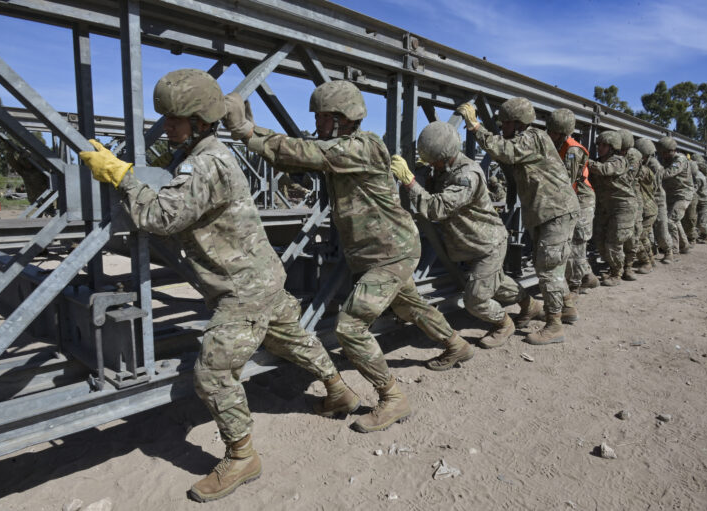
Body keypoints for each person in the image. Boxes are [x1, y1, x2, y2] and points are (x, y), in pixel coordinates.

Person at [79, 69, 359, 502]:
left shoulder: (207, 162)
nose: (168, 126)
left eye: (176, 119)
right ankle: (339, 390)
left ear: (202, 121)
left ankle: (242, 456)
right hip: (261, 276)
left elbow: (159, 217)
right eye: (167, 118)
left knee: (211, 373)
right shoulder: (199, 151)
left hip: (242, 288)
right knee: (293, 339)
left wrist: (123, 177)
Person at [226, 80, 472, 434]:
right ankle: (456, 344)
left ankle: (392, 398)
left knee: (350, 327)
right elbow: (302, 154)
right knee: (411, 306)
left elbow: (306, 153)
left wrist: (245, 130)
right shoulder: (342, 147)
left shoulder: (360, 148)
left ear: (343, 119)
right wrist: (256, 131)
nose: (318, 124)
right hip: (385, 250)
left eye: (323, 118)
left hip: (390, 253)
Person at [390, 121, 542, 348]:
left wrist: (410, 182)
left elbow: (437, 208)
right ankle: (530, 306)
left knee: (475, 299)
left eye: (434, 160)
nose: (433, 165)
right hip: (473, 244)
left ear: (446, 155)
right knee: (496, 283)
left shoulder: (467, 175)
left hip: (487, 245)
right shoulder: (446, 168)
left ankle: (504, 324)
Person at [457, 98, 579, 345]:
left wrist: (476, 127)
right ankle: (566, 308)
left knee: (547, 268)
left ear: (518, 123)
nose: (502, 128)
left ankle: (554, 326)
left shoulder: (532, 137)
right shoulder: (531, 139)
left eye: (505, 124)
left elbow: (504, 151)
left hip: (554, 211)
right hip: (548, 212)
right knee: (549, 264)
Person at [545, 108, 598, 296]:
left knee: (576, 242)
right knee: (574, 243)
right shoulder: (557, 145)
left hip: (581, 199)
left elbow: (567, 183)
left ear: (562, 131)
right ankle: (588, 276)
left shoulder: (572, 150)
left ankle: (574, 286)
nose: (549, 134)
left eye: (552, 131)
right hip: (572, 197)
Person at [587, 131, 635, 286]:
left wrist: (583, 160)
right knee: (600, 241)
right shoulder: (597, 161)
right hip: (605, 208)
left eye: (604, 145)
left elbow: (604, 170)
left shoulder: (619, 161)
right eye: (599, 145)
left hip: (623, 207)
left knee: (614, 243)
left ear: (613, 148)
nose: (600, 148)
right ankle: (614, 267)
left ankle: (617, 273)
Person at [656, 136, 693, 255]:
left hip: (683, 195)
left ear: (670, 150)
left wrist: (654, 174)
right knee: (675, 220)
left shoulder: (680, 159)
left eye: (664, 152)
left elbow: (669, 173)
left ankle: (674, 250)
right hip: (672, 195)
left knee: (671, 220)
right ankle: (684, 245)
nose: (662, 155)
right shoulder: (666, 160)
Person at [618, 130, 643, 281]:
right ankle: (618, 269)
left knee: (633, 234)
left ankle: (628, 267)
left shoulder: (633, 155)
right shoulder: (619, 155)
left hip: (632, 197)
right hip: (620, 197)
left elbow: (628, 177)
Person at [632, 139, 657, 273]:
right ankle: (651, 260)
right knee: (644, 237)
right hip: (649, 209)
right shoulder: (645, 169)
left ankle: (646, 262)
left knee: (638, 237)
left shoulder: (644, 171)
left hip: (647, 210)